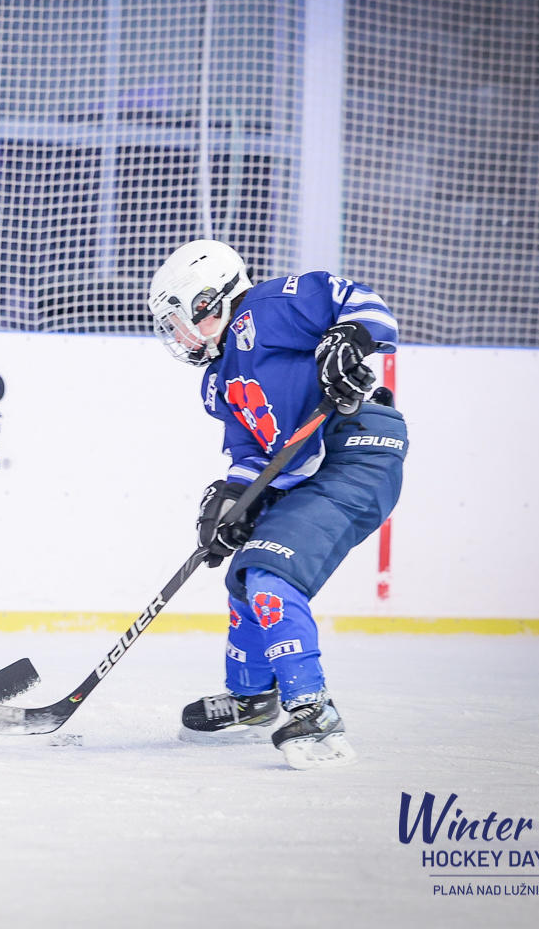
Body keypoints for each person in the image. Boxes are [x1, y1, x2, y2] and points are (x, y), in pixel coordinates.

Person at [147, 239, 408, 769]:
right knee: (245, 575)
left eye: (178, 319)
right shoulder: (219, 380)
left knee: (271, 573)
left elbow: (365, 304)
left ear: (209, 301)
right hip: (308, 468)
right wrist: (233, 502)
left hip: (355, 450)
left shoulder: (267, 307)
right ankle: (251, 699)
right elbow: (254, 455)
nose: (176, 334)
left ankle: (313, 708)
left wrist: (348, 338)